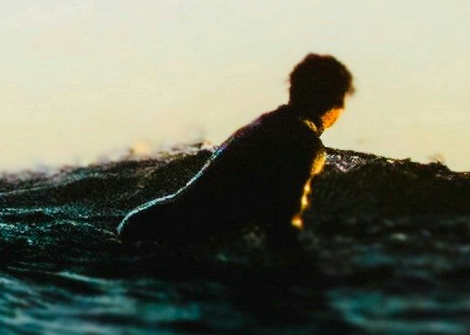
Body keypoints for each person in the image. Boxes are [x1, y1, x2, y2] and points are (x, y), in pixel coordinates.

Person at [118, 53, 354, 264]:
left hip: (146, 223)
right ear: (337, 100)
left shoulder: (266, 124)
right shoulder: (304, 141)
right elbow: (285, 221)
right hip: (170, 236)